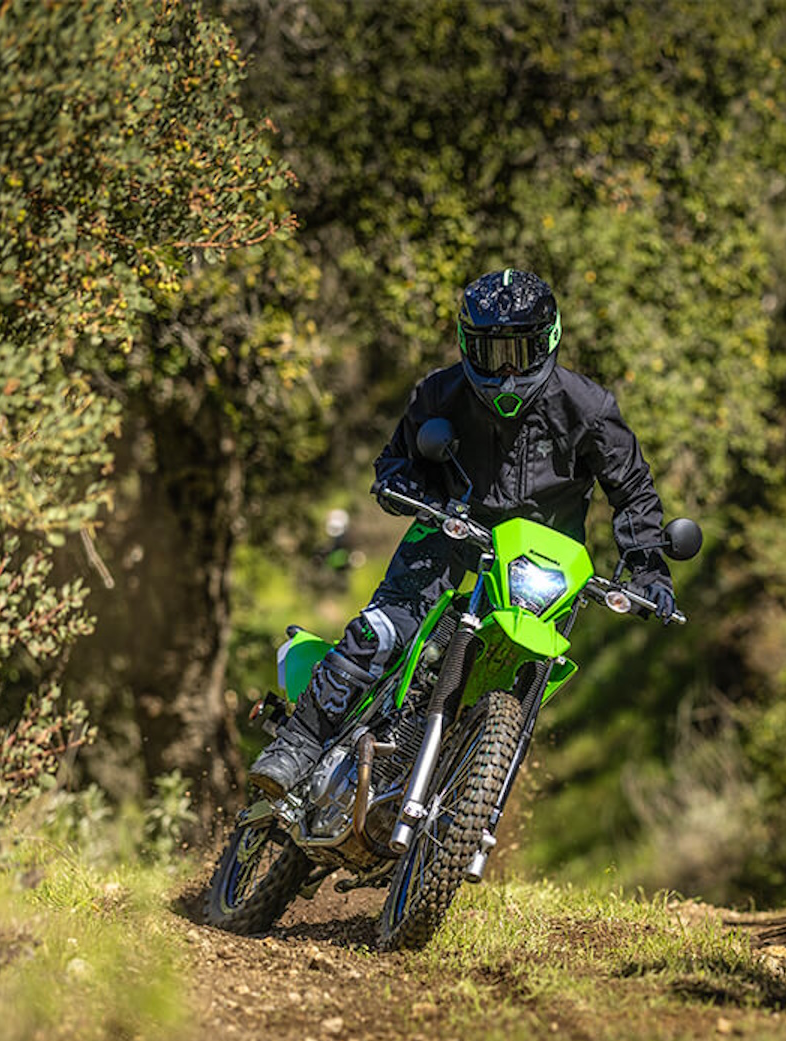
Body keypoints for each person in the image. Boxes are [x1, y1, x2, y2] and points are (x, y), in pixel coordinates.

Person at [247, 268, 677, 801]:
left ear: (548, 340)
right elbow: (395, 461)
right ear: (466, 345)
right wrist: (401, 485)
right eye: (491, 354)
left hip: (542, 563)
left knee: (524, 676)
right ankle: (297, 745)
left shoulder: (589, 409)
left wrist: (650, 569)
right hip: (450, 532)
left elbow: (633, 490)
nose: (506, 371)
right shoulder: (439, 393)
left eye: (519, 352)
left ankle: (464, 800)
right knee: (381, 630)